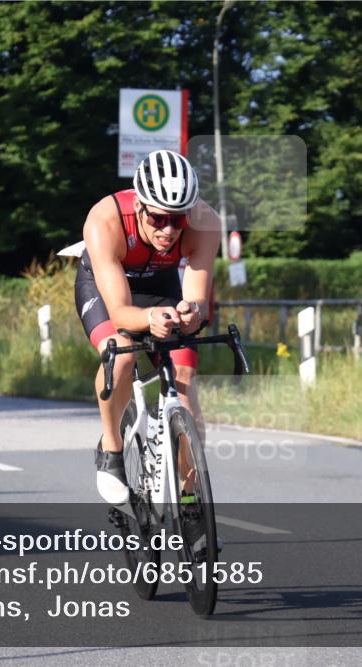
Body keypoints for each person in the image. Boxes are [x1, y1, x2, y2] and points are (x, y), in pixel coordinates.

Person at [76, 150, 220, 505]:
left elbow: (198, 300)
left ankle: (189, 499)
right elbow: (123, 313)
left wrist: (191, 312)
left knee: (184, 380)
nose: (169, 231)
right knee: (120, 357)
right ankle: (111, 447)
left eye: (178, 220)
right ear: (139, 206)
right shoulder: (105, 220)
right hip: (108, 286)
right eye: (158, 219)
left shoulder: (206, 222)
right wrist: (149, 320)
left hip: (161, 285)